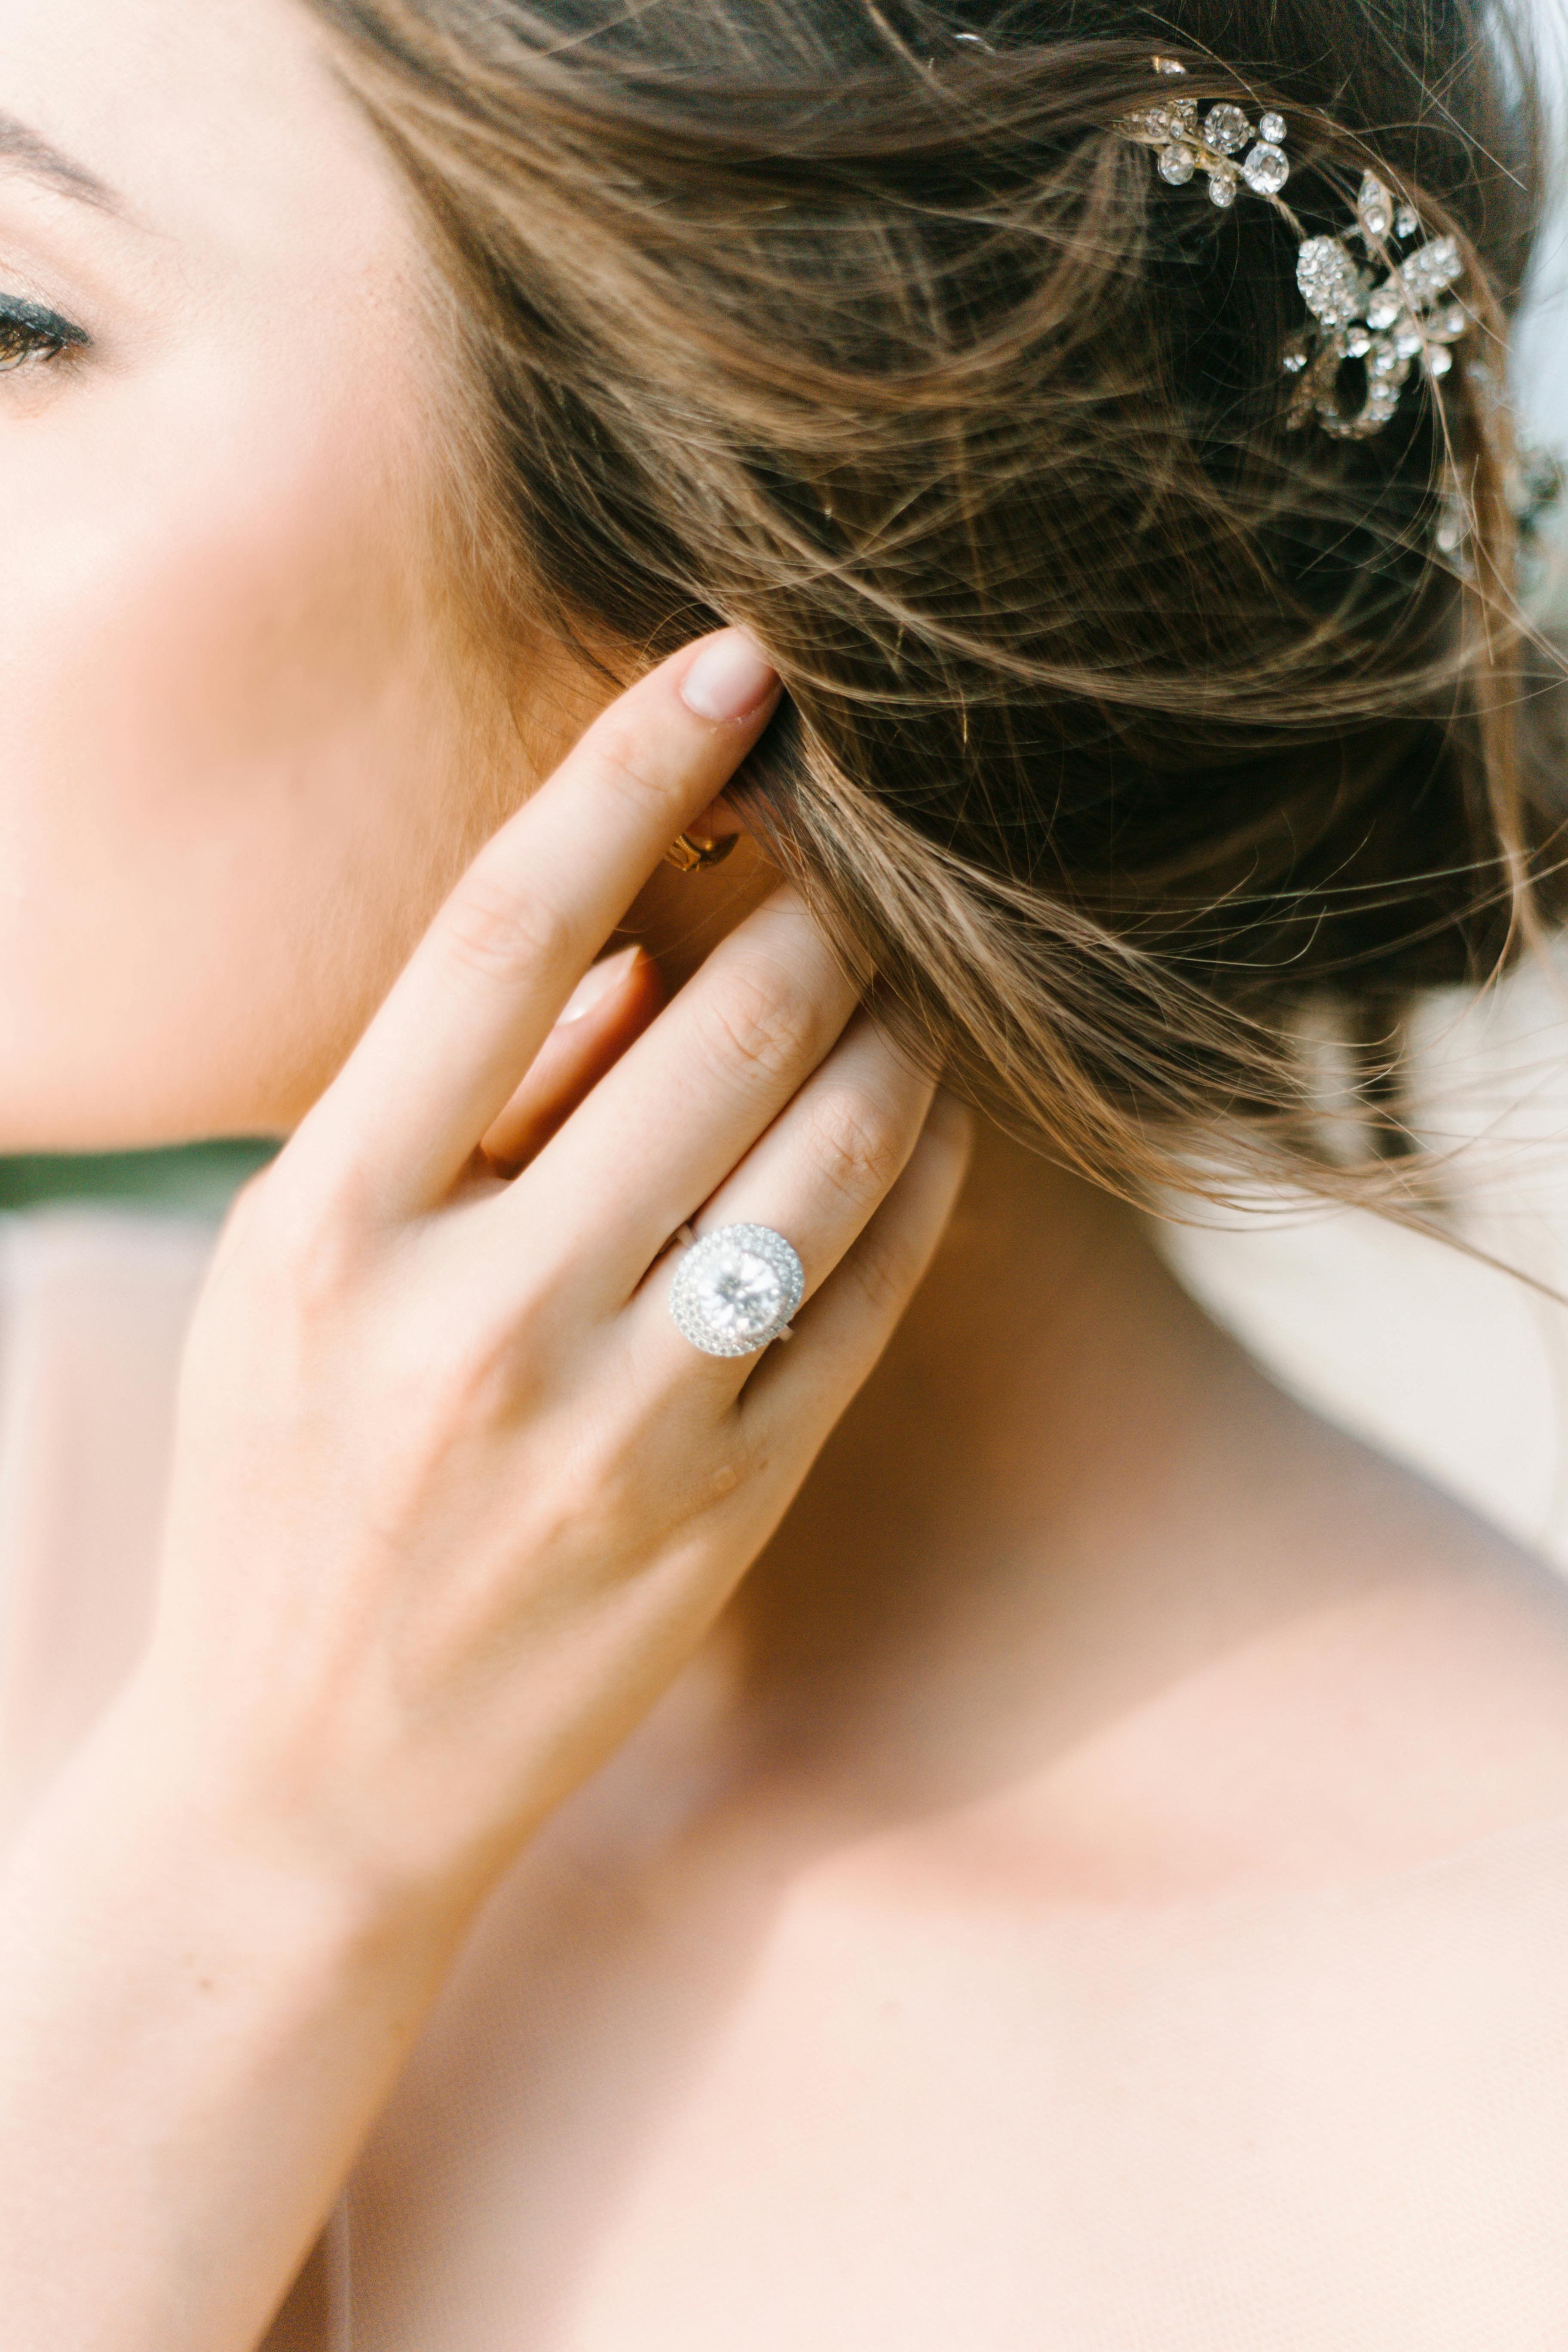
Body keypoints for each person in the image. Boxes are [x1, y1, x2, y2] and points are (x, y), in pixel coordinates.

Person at [4, 2, 1568, 2345]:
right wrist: (245, 1855)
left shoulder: (1479, 2108)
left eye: (17, 319)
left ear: (761, 556)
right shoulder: (33, 1475)